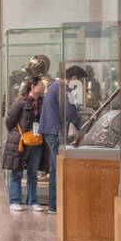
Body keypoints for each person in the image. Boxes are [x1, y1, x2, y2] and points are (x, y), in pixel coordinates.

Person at [36, 64, 84, 216]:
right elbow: (70, 110)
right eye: (80, 82)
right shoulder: (64, 88)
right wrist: (84, 127)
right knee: (57, 169)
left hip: (52, 130)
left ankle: (54, 205)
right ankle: (54, 205)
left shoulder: (55, 86)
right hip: (55, 131)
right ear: (74, 78)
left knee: (56, 167)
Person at [3, 78, 49, 213]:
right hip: (21, 141)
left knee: (33, 172)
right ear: (33, 87)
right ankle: (15, 201)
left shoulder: (42, 102)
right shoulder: (21, 102)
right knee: (16, 171)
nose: (43, 87)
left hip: (37, 141)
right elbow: (10, 121)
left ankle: (33, 201)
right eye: (41, 85)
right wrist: (18, 134)